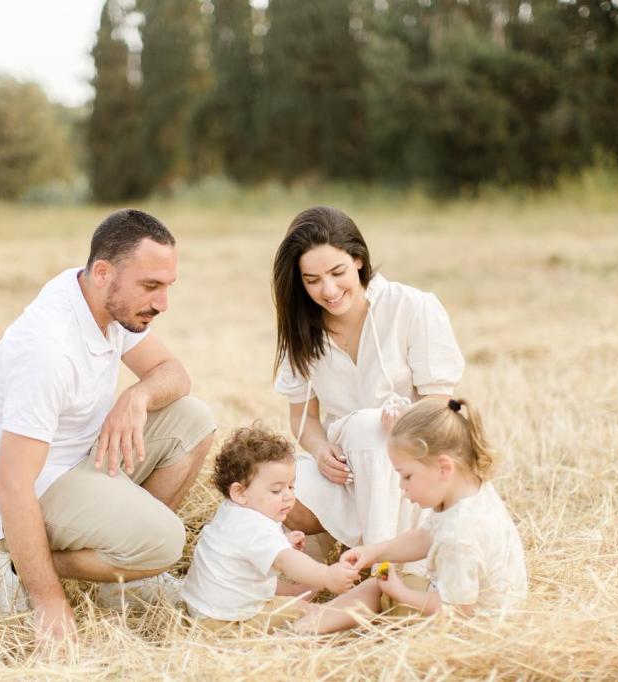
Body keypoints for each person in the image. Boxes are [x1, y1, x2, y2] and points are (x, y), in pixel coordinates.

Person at [0, 209, 215, 646]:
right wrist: (49, 601)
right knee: (165, 543)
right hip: (24, 489)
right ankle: (21, 566)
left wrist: (137, 396)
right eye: (150, 286)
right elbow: (12, 484)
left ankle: (121, 572)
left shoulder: (106, 301)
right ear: (103, 272)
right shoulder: (48, 348)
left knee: (194, 421)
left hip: (74, 459)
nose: (162, 303)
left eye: (167, 286)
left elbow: (174, 373)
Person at [272, 206, 465, 559]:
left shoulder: (412, 307)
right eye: (312, 280)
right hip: (344, 467)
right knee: (271, 487)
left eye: (337, 272)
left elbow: (440, 405)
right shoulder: (301, 327)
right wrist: (318, 450)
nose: (328, 290)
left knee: (368, 428)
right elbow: (304, 419)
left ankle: (379, 566)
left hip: (407, 460)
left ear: (358, 259)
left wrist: (407, 417)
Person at [294, 398, 527, 633]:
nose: (402, 488)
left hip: (472, 630)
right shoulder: (470, 492)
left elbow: (457, 610)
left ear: (443, 468)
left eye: (406, 476)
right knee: (382, 584)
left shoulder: (460, 534)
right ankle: (323, 616)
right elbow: (425, 536)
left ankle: (306, 629)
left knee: (379, 588)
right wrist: (373, 552)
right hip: (475, 610)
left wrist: (401, 593)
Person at [181, 424, 359, 633]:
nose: (288, 496)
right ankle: (336, 617)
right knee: (306, 611)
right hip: (226, 623)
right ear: (239, 492)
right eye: (276, 490)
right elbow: (286, 561)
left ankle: (296, 591)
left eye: (291, 486)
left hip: (201, 609)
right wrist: (327, 576)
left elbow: (247, 551)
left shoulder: (232, 512)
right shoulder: (256, 527)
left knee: (267, 583)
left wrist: (283, 541)